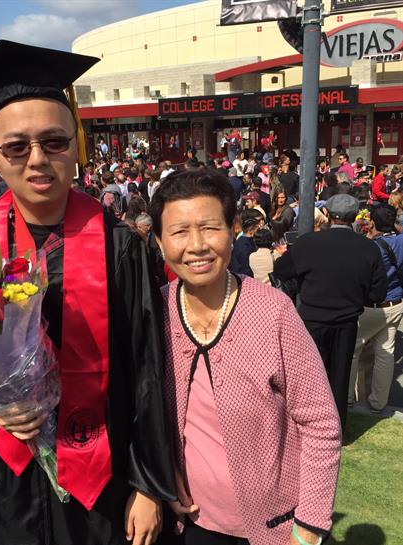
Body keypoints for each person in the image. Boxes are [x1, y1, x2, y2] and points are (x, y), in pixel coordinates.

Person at [0, 40, 176, 545]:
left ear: (75, 145)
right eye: (16, 146)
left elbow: (149, 367)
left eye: (54, 142)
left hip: (105, 476)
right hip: (5, 469)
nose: (37, 159)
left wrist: (148, 485)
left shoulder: (119, 245)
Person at [149, 169, 341, 545]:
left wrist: (310, 526)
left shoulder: (273, 312)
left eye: (210, 228)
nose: (197, 245)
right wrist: (163, 471)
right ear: (159, 241)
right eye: (179, 232)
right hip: (188, 524)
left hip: (274, 528)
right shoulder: (154, 311)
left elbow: (320, 423)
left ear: (234, 228)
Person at [274, 194, 387, 427]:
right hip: (346, 320)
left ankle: (304, 423)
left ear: (327, 215)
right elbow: (377, 294)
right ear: (356, 218)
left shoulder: (308, 242)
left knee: (307, 374)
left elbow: (281, 271)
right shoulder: (368, 248)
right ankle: (335, 427)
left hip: (311, 318)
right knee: (339, 375)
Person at [348, 204, 403, 414]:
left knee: (353, 351)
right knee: (386, 353)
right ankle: (378, 402)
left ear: (372, 222)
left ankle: (347, 398)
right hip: (396, 303)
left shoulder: (370, 246)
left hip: (371, 306)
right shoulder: (399, 241)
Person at [229, 209, 262, 277]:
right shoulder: (244, 246)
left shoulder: (245, 240)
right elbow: (246, 267)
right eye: (257, 230)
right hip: (242, 277)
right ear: (251, 231)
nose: (258, 232)